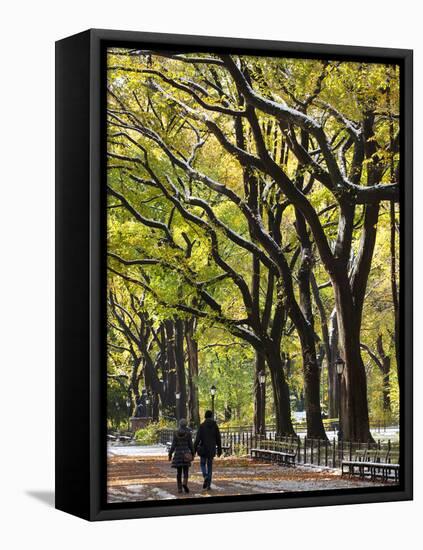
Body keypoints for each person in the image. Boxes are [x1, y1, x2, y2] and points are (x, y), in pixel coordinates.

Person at [194, 410, 222, 490]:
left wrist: (194, 449)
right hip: (211, 449)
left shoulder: (202, 426)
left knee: (202, 464)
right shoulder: (215, 426)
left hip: (203, 449)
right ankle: (208, 485)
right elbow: (218, 438)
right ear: (211, 416)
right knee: (210, 466)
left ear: (205, 416)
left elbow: (197, 439)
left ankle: (205, 476)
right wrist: (219, 449)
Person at [168, 418, 194, 494]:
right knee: (186, 471)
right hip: (186, 454)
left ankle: (179, 488)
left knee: (179, 472)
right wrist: (192, 453)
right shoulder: (188, 433)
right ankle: (184, 483)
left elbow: (173, 445)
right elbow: (190, 444)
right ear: (186, 425)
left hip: (178, 454)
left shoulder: (175, 433)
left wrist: (170, 454)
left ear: (179, 424)